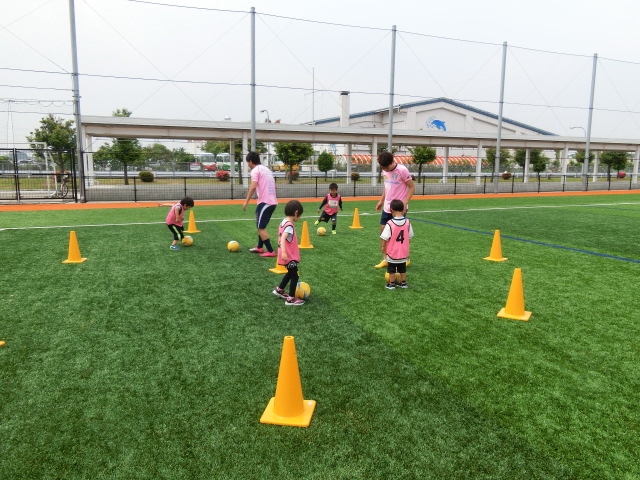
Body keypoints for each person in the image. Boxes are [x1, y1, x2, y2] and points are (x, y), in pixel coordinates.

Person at [375, 151, 415, 268]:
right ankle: (386, 259)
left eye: (386, 167)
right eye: (383, 168)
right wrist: (381, 201)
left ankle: (405, 258)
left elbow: (412, 187)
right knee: (383, 233)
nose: (385, 170)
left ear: (392, 161)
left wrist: (405, 203)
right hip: (387, 207)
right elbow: (387, 186)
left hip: (399, 209)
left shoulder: (402, 170)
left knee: (401, 235)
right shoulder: (384, 170)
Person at [242, 151, 278, 257]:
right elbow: (275, 186)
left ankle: (271, 251)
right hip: (271, 202)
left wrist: (246, 201)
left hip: (265, 202)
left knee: (261, 227)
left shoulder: (255, 171)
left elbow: (253, 186)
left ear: (251, 161)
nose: (248, 164)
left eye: (248, 162)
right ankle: (259, 247)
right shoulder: (267, 169)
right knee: (259, 225)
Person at [272, 200, 305, 306]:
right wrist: (284, 252)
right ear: (296, 213)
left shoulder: (283, 222)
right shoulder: (289, 225)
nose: (299, 218)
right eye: (299, 215)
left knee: (290, 273)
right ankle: (291, 298)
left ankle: (280, 289)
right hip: (289, 256)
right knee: (295, 275)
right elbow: (283, 239)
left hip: (285, 256)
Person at [381, 199, 414, 289]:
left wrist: (383, 247)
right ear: (403, 209)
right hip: (403, 252)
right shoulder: (408, 222)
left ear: (391, 210)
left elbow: (384, 237)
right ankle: (403, 283)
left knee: (391, 269)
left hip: (392, 253)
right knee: (402, 268)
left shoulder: (390, 223)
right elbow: (410, 236)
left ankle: (391, 283)